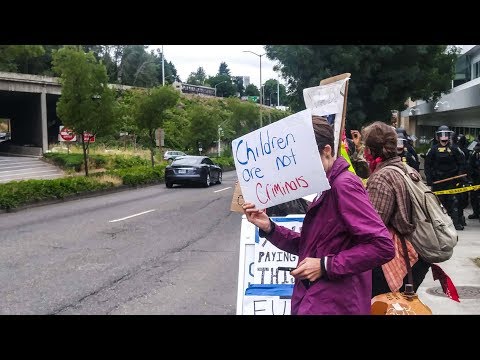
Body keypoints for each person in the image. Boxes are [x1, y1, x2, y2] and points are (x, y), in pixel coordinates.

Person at [242, 116, 395, 315]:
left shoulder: (344, 185)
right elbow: (309, 246)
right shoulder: (326, 185)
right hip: (319, 299)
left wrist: (325, 265)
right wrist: (269, 228)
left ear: (327, 151)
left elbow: (382, 246)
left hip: (336, 303)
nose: (298, 168)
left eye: (304, 159)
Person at [362, 121, 432, 297]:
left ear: (370, 150)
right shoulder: (407, 169)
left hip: (399, 257)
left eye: (365, 147)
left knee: (384, 305)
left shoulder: (382, 178)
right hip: (418, 253)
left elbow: (373, 226)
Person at [424, 125, 466, 230]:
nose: (444, 138)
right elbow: (427, 165)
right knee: (439, 203)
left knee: (454, 202)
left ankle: (456, 223)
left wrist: (459, 175)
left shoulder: (455, 149)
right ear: (438, 137)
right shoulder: (432, 150)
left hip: (452, 181)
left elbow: (462, 163)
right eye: (441, 135)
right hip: (438, 181)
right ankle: (440, 224)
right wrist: (429, 180)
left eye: (445, 135)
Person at [468, 141, 480, 220]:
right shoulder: (474, 153)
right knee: (474, 197)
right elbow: (470, 165)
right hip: (475, 178)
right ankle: (476, 213)